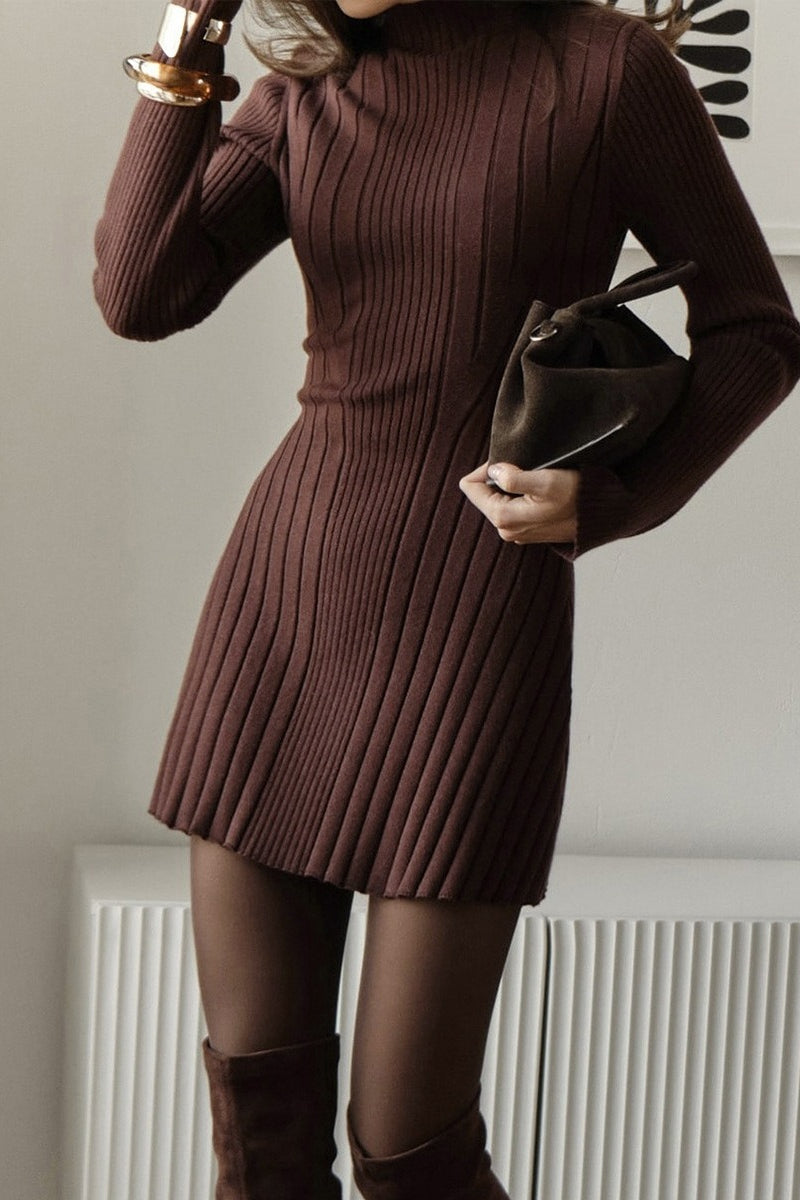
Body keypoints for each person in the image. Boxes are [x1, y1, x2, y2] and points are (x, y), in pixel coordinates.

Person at [93, 1, 800, 1196]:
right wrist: (185, 40)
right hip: (282, 611)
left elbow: (753, 330)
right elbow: (139, 294)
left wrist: (615, 497)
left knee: (409, 1155)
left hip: (476, 620)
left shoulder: (604, 72)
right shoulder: (303, 94)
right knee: (259, 1142)